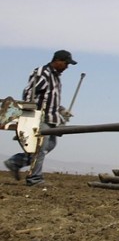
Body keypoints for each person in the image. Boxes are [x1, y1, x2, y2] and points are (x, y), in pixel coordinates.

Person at [5, 49, 78, 186]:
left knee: (50, 145)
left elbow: (49, 98)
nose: (67, 67)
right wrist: (30, 114)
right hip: (40, 117)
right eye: (66, 64)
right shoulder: (42, 73)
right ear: (57, 61)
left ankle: (16, 162)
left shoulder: (55, 77)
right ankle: (34, 179)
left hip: (51, 118)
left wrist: (62, 110)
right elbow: (29, 93)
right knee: (40, 148)